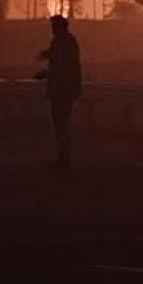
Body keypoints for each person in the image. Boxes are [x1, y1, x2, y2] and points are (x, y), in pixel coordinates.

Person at [36, 15, 82, 171]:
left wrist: (45, 73)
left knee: (60, 125)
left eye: (53, 26)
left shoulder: (62, 42)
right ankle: (63, 158)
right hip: (65, 89)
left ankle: (63, 159)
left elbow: (61, 66)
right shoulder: (66, 41)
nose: (51, 29)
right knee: (61, 125)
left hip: (61, 90)